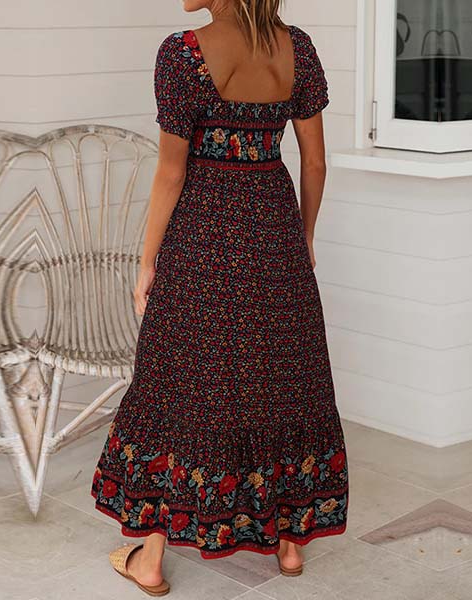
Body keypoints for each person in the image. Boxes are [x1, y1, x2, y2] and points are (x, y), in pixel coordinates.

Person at [91, 0, 349, 595]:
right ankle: (290, 545)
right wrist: (304, 236)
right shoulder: (297, 48)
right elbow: (315, 161)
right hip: (274, 229)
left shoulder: (184, 54)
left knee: (176, 377)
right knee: (285, 376)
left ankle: (151, 560)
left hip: (203, 235)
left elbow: (171, 172)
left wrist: (147, 260)